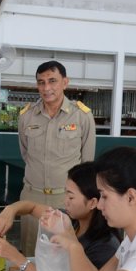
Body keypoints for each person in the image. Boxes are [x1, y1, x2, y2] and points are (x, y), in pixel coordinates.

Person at [18, 60, 96, 256]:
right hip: (32, 196)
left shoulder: (82, 117)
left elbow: (87, 162)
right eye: (41, 82)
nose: (46, 88)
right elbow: (26, 153)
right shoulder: (27, 116)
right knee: (30, 252)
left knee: (63, 255)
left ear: (65, 82)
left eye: (52, 81)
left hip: (66, 200)